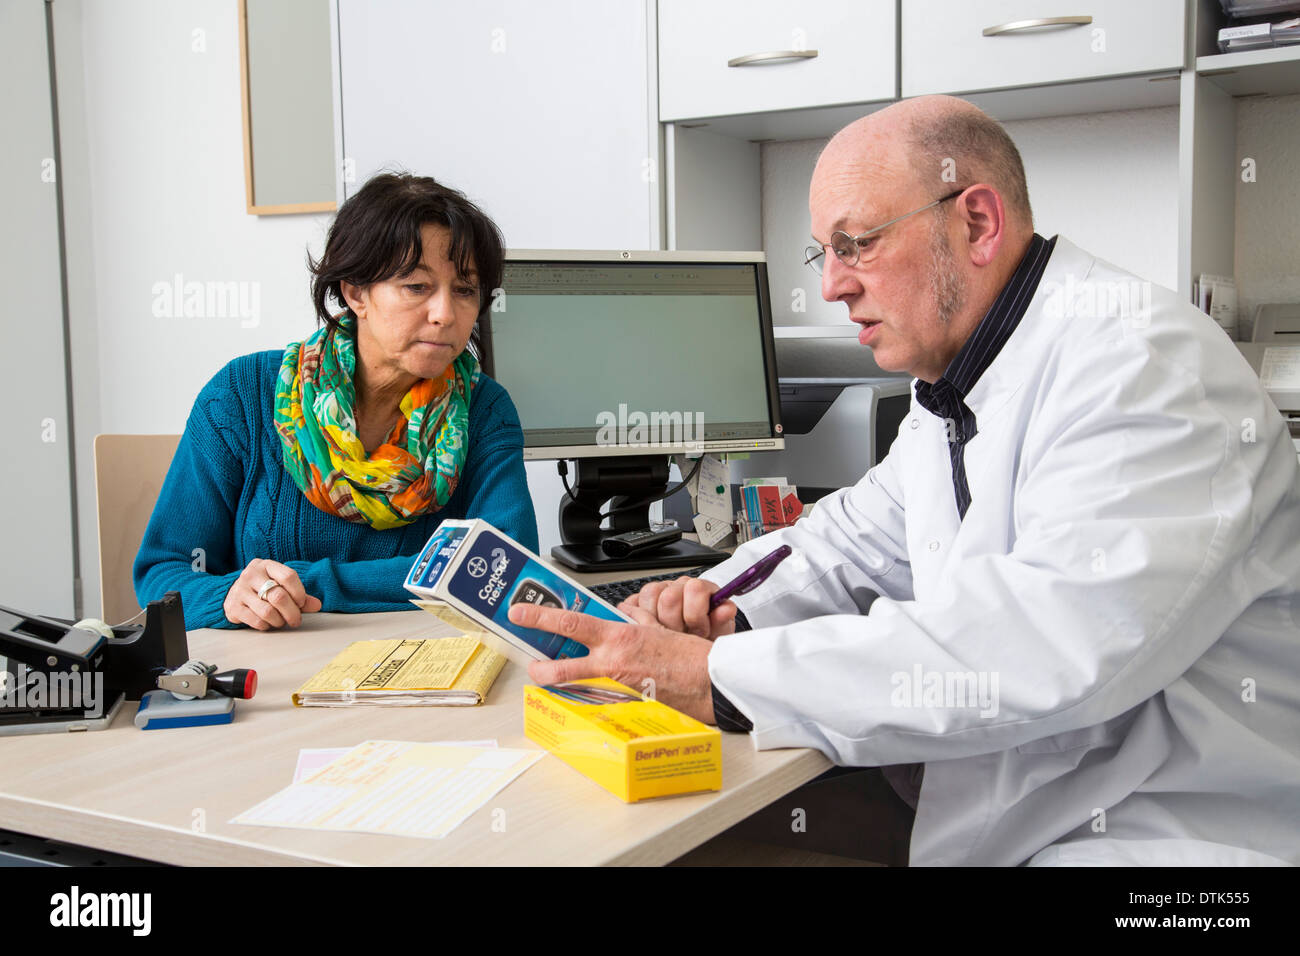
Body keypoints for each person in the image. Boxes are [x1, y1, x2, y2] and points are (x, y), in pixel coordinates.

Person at [509, 96, 1300, 866]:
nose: (831, 287)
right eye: (825, 253)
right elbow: (848, 540)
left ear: (977, 222)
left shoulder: (1144, 367)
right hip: (1027, 811)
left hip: (1171, 839)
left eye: (857, 243)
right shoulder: (958, 386)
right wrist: (718, 606)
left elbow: (1037, 650)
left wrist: (713, 677)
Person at [135, 173, 538, 631]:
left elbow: (506, 573)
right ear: (355, 292)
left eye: (464, 290)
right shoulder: (241, 396)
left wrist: (309, 585)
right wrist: (229, 596)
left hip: (422, 673)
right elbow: (162, 576)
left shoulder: (483, 411)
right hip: (270, 677)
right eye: (417, 286)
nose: (446, 313)